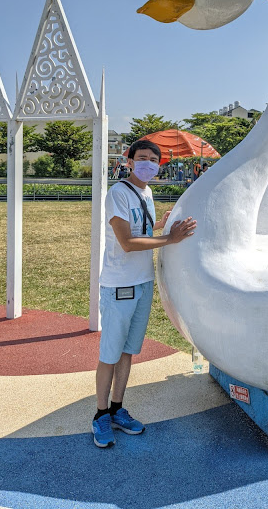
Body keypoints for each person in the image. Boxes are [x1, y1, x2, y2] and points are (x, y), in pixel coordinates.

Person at [92, 139, 197, 448]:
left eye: (153, 159)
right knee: (110, 354)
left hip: (142, 283)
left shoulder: (147, 193)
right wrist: (168, 238)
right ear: (130, 159)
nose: (148, 163)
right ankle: (99, 415)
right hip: (119, 286)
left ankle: (117, 409)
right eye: (142, 158)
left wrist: (159, 226)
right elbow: (126, 242)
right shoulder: (118, 193)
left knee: (127, 352)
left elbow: (141, 234)